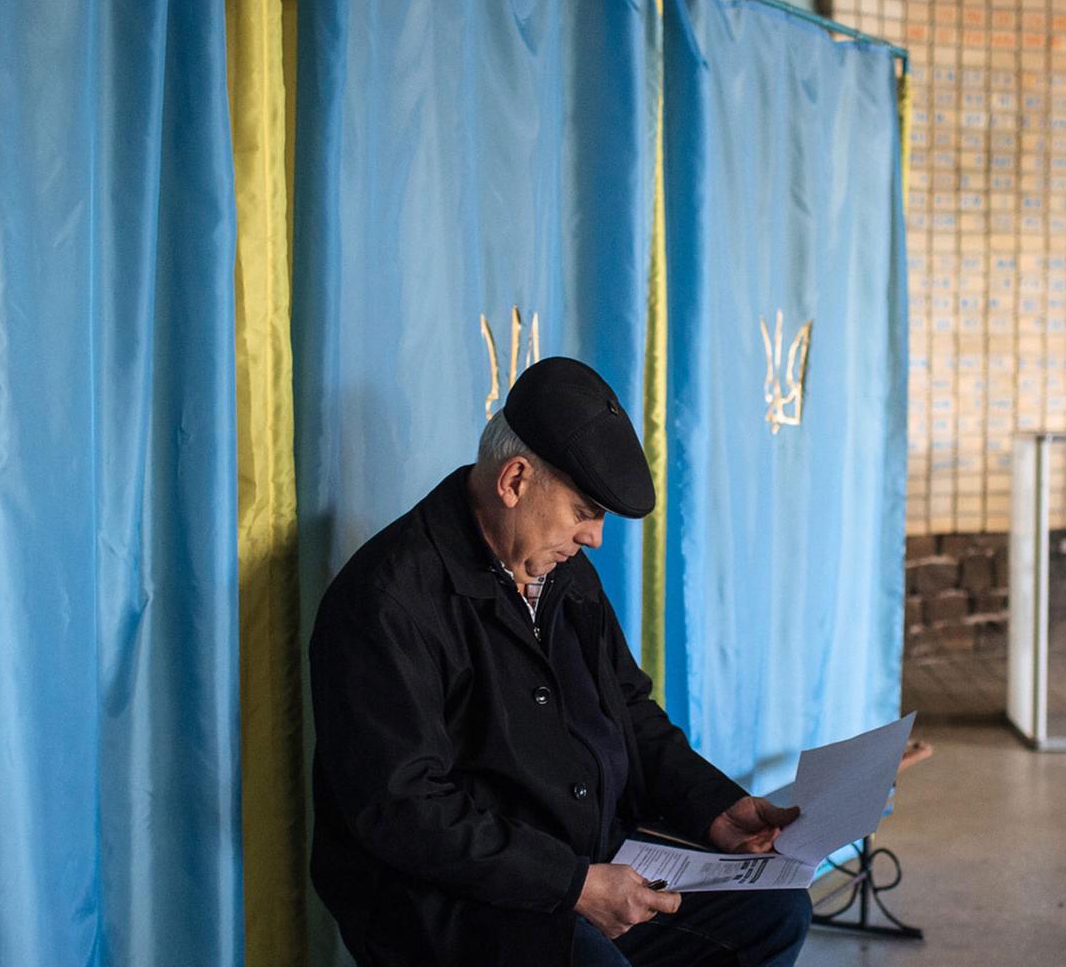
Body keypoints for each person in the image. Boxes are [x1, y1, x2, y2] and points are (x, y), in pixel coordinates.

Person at [309, 357, 812, 965]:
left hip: (580, 869)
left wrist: (715, 808)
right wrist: (572, 885)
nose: (594, 537)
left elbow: (627, 710)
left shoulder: (565, 573)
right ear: (515, 480)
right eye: (584, 511)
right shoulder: (387, 599)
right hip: (452, 901)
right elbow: (403, 809)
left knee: (773, 911)